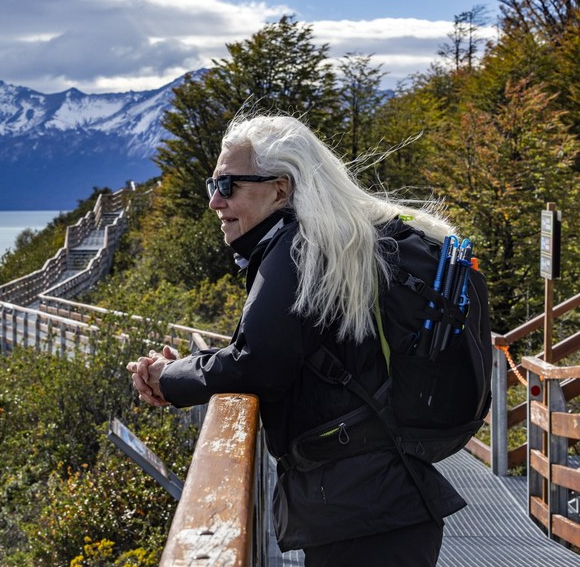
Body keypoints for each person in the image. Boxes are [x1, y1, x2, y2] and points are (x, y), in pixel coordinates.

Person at [126, 114, 464, 566]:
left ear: (280, 190)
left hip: (363, 510)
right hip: (378, 502)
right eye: (213, 183)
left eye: (228, 185)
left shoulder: (298, 249)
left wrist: (170, 379)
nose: (213, 201)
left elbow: (257, 363)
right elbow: (286, 350)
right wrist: (187, 369)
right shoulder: (327, 244)